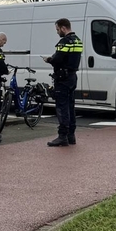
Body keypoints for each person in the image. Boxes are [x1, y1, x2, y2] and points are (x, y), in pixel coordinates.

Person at [42, 18, 83, 147]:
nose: (57, 32)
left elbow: (58, 59)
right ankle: (71, 135)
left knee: (62, 107)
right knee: (71, 107)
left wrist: (49, 59)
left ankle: (62, 136)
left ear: (63, 28)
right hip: (72, 77)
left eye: (58, 29)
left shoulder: (64, 42)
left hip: (63, 78)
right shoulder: (78, 41)